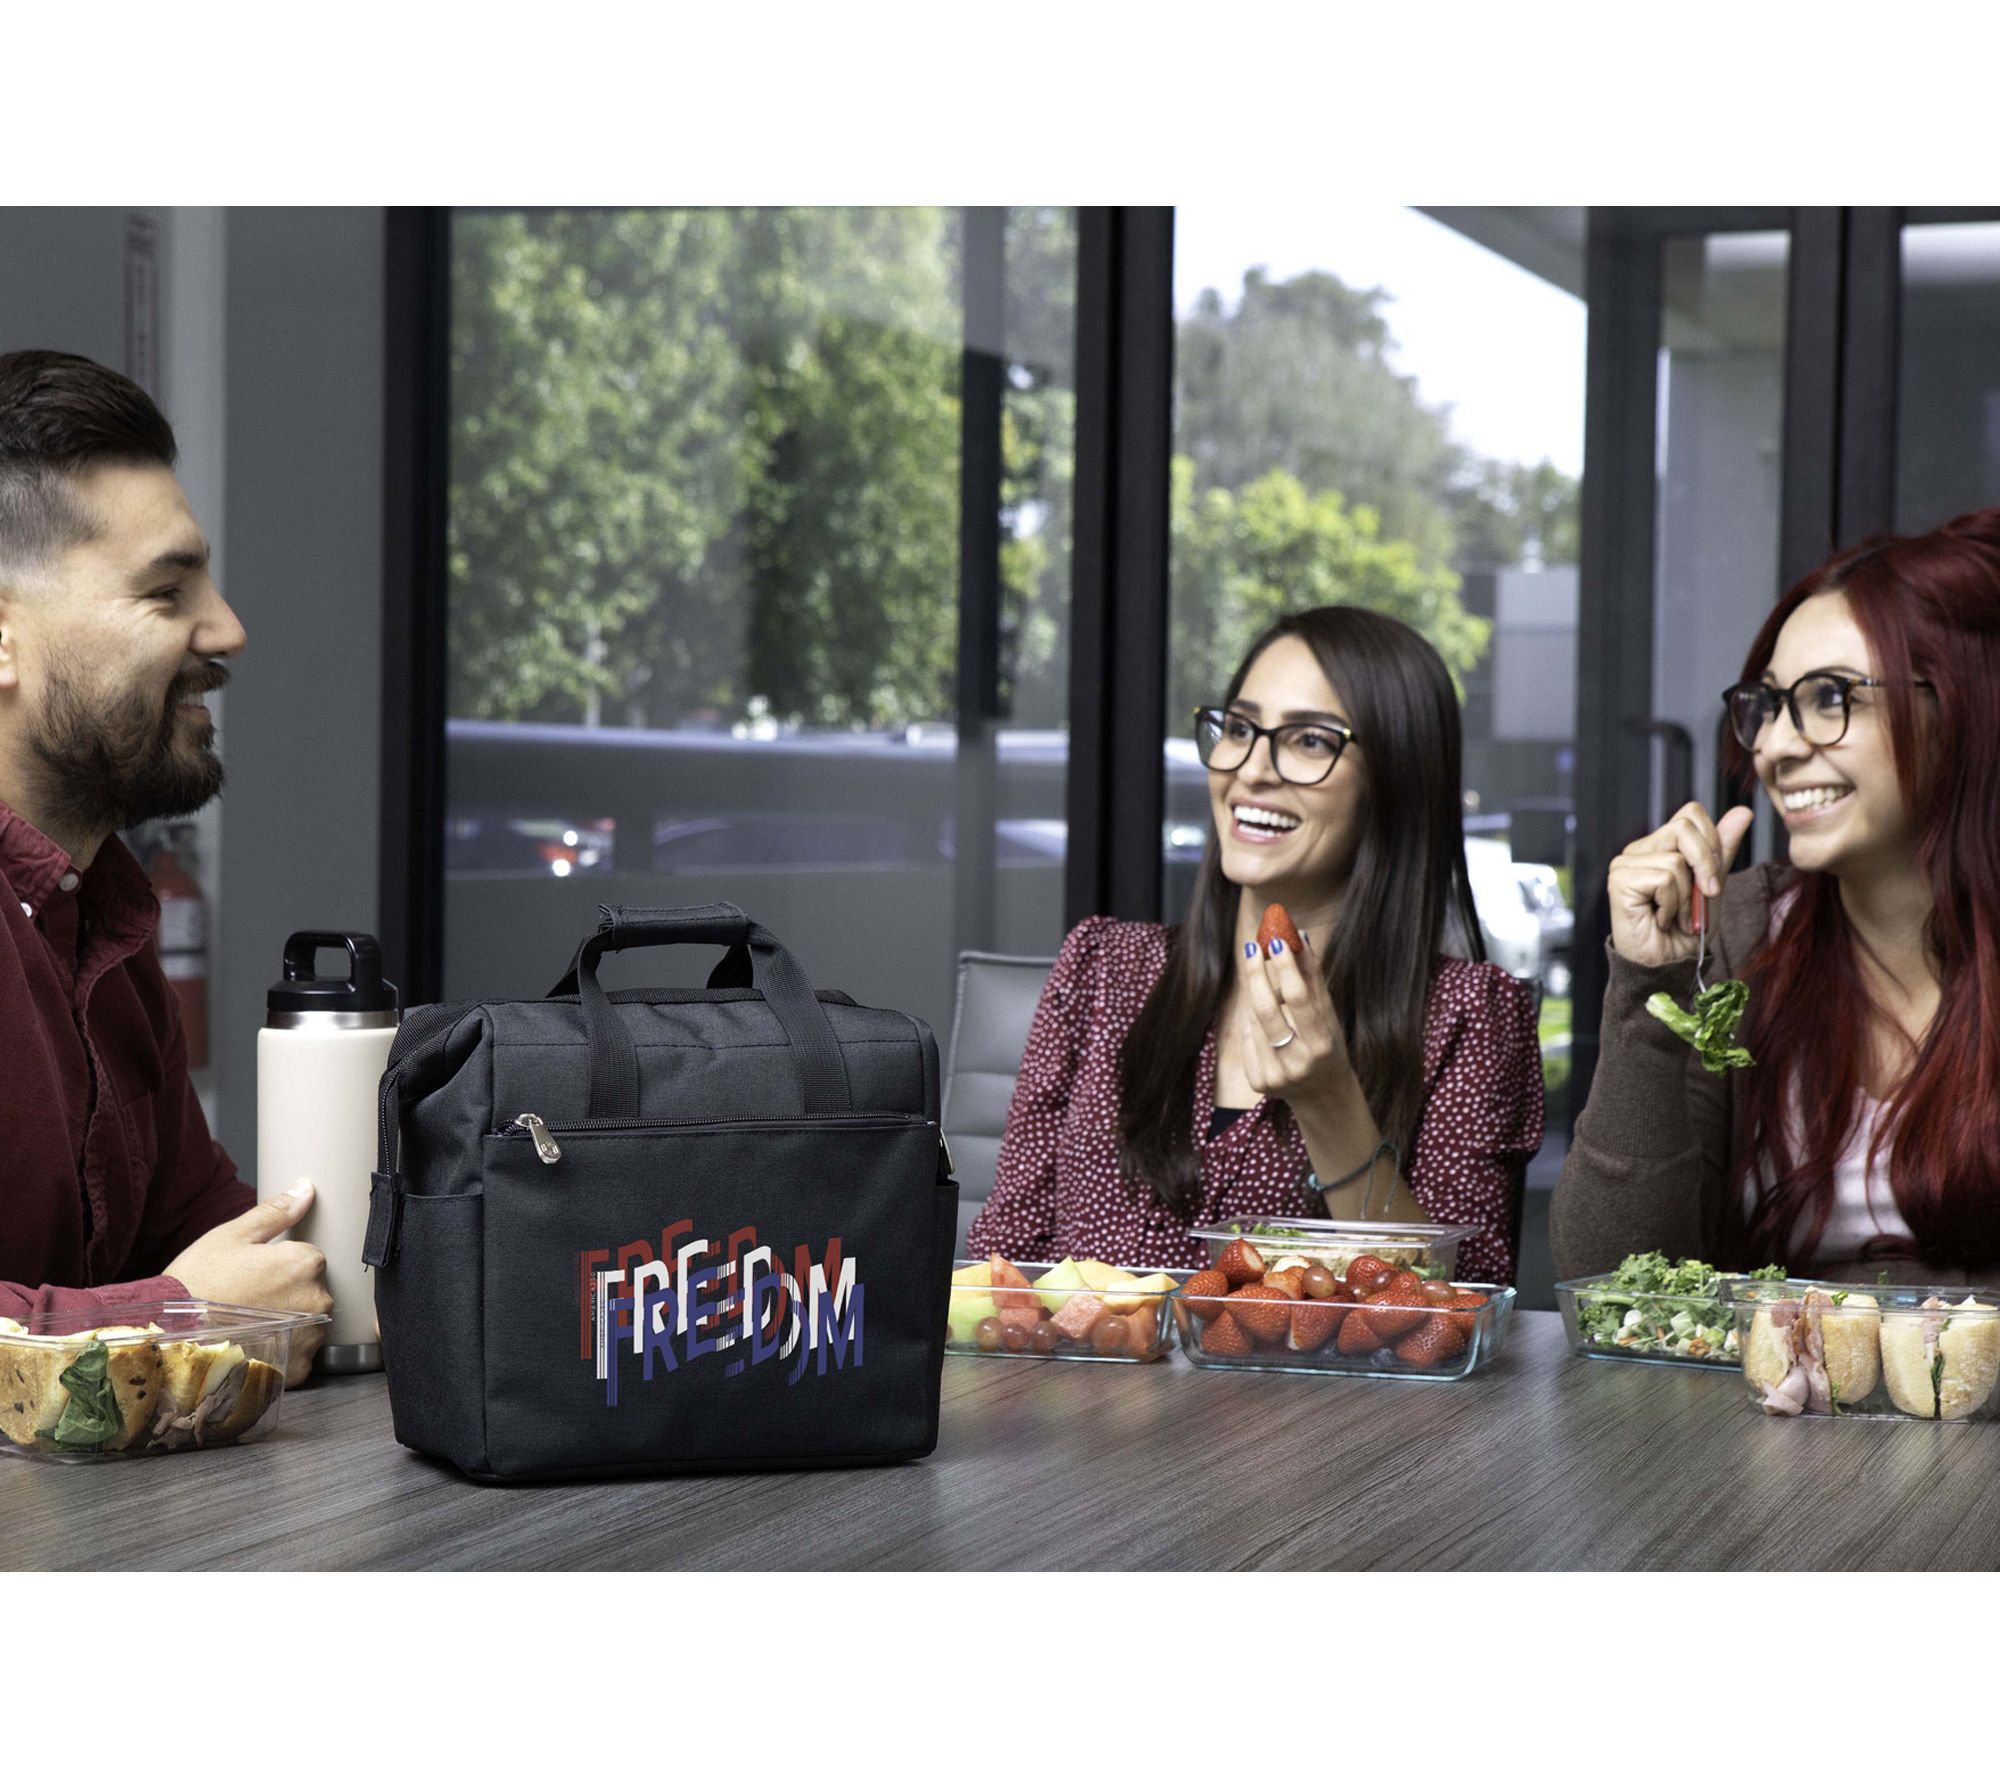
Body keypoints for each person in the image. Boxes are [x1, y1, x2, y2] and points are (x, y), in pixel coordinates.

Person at [965, 606, 1545, 1284]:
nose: (1252, 770)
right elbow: (1001, 1265)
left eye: (1310, 741)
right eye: (1240, 729)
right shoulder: (1102, 969)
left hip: (1310, 1367)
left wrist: (1330, 1103)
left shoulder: (1471, 1017)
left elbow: (1458, 1306)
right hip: (1084, 1360)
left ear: (1396, 781)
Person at [1552, 508, 2000, 1285]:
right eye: (1768, 704)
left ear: (1963, 706)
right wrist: (1652, 988)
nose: (1773, 746)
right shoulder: (1735, 933)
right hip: (1763, 1371)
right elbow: (1612, 1287)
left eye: (1830, 697)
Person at [0, 349, 329, 1377]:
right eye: (166, 590)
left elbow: (223, 1242)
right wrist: (181, 1316)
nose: (226, 628)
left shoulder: (102, 910)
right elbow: (208, 1293)